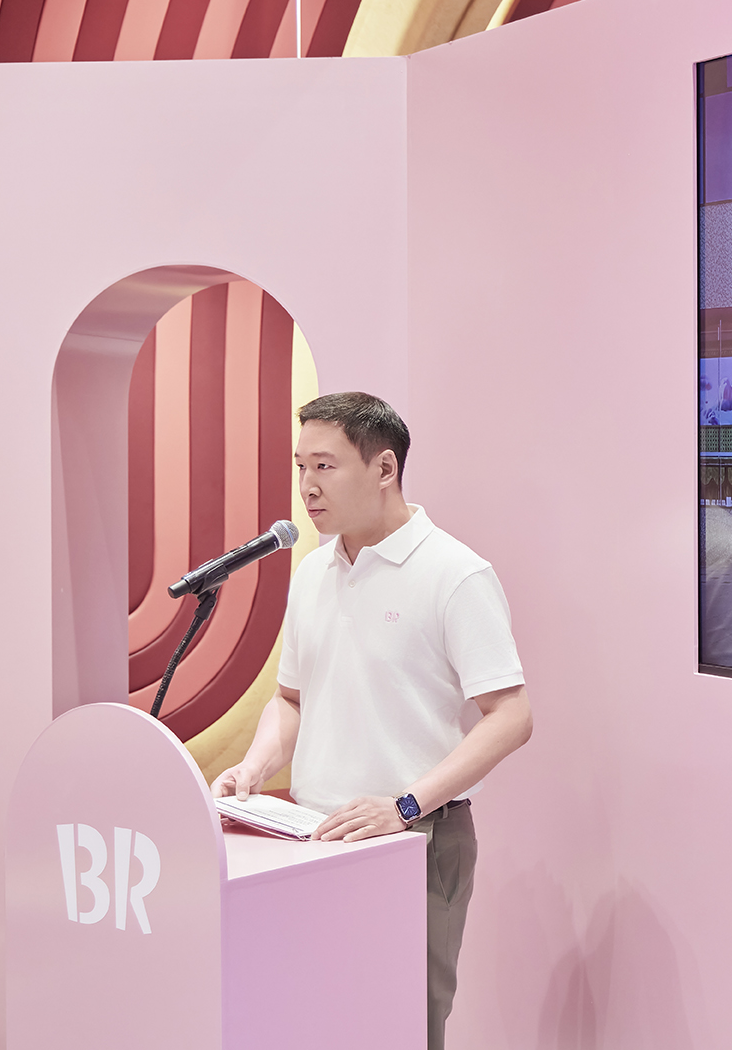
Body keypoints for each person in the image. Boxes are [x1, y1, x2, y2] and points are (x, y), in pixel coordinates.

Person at [212, 392, 533, 1050]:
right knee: (317, 1022)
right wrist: (254, 766)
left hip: (417, 837)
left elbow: (511, 716)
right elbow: (292, 700)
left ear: (384, 468)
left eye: (325, 466)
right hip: (310, 838)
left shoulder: (454, 573)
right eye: (300, 466)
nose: (307, 486)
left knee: (403, 1026)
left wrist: (405, 805)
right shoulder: (312, 573)